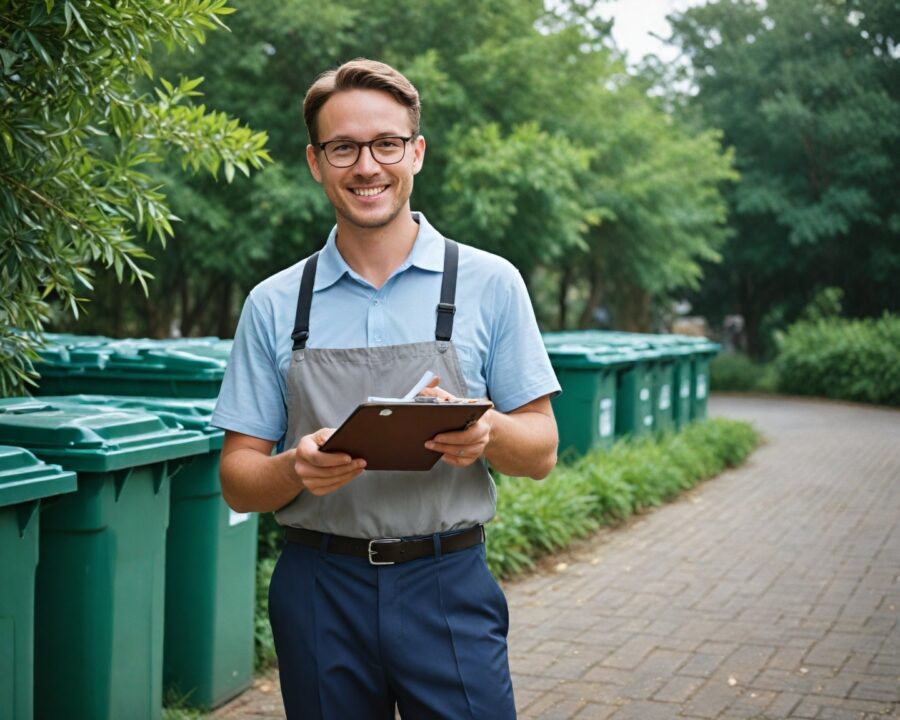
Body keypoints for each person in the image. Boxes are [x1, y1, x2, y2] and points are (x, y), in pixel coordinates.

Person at [212, 58, 560, 720]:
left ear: (416, 152)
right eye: (343, 147)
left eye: (386, 144)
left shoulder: (490, 283)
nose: (366, 166)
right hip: (319, 588)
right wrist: (294, 467)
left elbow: (540, 451)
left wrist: (488, 433)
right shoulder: (275, 303)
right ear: (316, 162)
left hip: (447, 586)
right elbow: (237, 479)